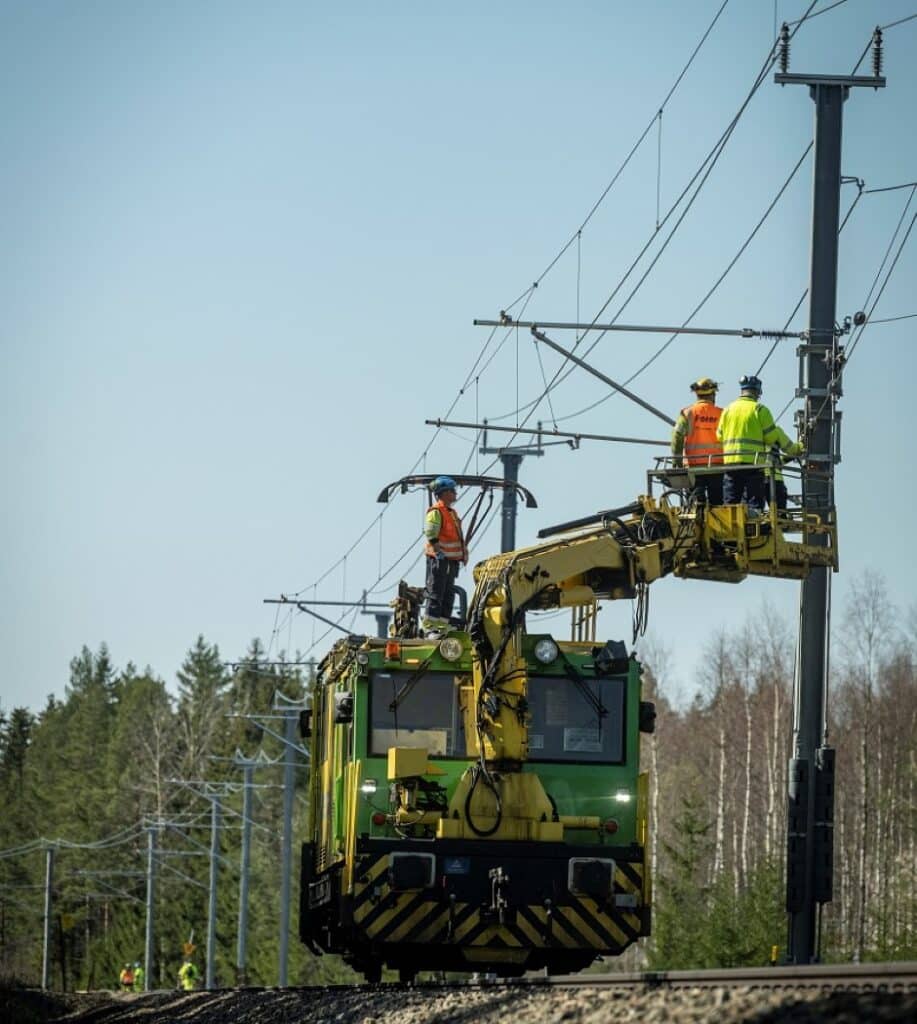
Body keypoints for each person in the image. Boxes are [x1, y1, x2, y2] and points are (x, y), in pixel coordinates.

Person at [716, 375, 803, 512]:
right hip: (753, 464)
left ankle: (730, 530)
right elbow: (770, 438)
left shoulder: (727, 410)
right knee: (754, 505)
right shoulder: (760, 410)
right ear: (758, 392)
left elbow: (719, 436)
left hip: (731, 464)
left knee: (730, 504)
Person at [422, 476, 467, 636]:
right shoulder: (436, 512)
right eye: (452, 491)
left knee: (448, 594)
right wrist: (438, 551)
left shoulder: (452, 513)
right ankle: (430, 626)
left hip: (451, 561)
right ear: (445, 493)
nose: (455, 494)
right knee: (436, 593)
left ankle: (442, 626)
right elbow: (430, 532)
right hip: (439, 560)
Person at [671, 376, 723, 505]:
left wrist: (677, 461)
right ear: (713, 394)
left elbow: (677, 436)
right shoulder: (722, 413)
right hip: (718, 467)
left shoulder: (688, 413)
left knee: (694, 505)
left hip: (693, 467)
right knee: (718, 506)